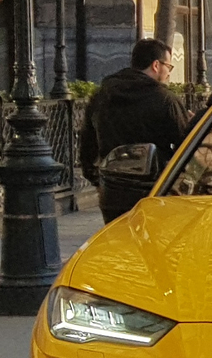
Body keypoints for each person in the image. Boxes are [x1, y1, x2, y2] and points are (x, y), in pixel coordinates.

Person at [78, 39, 188, 221]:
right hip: (154, 189)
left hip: (113, 190)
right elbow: (186, 148)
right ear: (156, 65)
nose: (168, 73)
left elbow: (87, 145)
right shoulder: (166, 100)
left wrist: (97, 181)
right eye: (169, 66)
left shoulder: (102, 95)